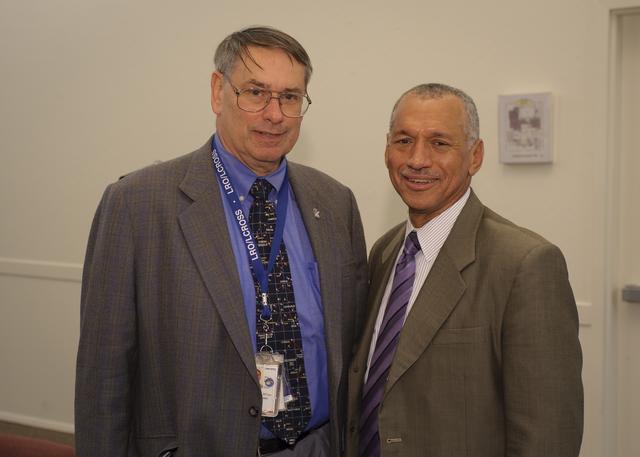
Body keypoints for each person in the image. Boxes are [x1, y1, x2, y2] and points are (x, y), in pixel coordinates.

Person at [75, 26, 367, 457]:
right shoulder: (137, 205)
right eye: (256, 92)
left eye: (289, 97)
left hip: (319, 445)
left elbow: (354, 348)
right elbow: (104, 375)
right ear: (218, 91)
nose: (274, 114)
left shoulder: (336, 202)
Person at [346, 83, 583, 457]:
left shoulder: (526, 264)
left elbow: (547, 437)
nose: (417, 159)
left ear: (475, 156)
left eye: (439, 143)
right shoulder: (385, 251)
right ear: (387, 149)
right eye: (404, 141)